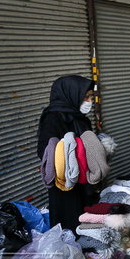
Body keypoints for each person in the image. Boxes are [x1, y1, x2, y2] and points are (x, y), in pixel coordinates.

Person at [37, 75, 96, 232]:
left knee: (89, 225)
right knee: (70, 226)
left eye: (90, 96)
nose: (90, 101)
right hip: (65, 188)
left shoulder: (81, 118)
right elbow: (44, 151)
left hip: (85, 183)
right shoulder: (53, 119)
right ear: (71, 95)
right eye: (86, 97)